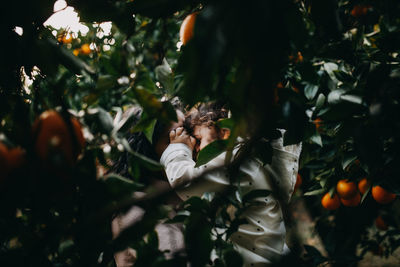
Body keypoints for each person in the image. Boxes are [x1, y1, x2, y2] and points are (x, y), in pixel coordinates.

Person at [160, 102, 302, 266]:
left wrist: (178, 149)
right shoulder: (256, 163)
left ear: (224, 131)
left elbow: (184, 181)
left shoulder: (237, 164)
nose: (196, 150)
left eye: (198, 140)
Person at [108, 106, 186, 267]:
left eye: (188, 134)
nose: (186, 144)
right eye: (173, 138)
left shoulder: (181, 197)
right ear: (145, 151)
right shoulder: (138, 210)